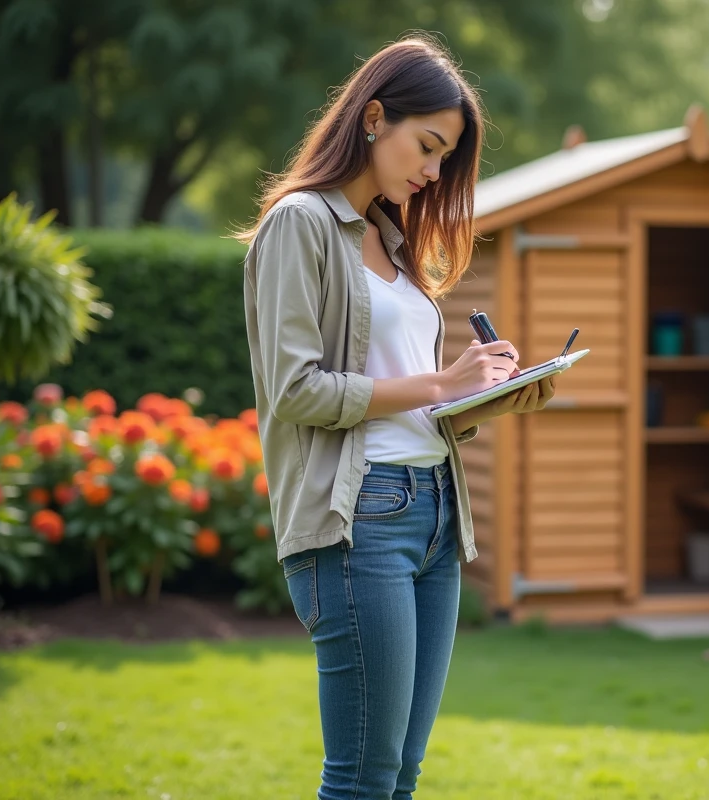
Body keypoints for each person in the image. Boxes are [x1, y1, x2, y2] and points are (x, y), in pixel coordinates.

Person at [236, 35, 557, 800]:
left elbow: (416, 398)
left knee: (402, 775)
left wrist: (483, 395)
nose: (434, 171)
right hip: (359, 521)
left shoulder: (393, 243)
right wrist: (437, 381)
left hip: (437, 516)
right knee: (361, 777)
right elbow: (297, 391)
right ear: (374, 118)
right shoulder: (301, 225)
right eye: (429, 146)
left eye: (445, 157)